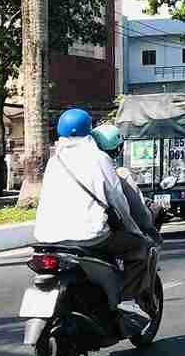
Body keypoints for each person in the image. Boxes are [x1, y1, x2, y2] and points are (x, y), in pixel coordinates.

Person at [34, 109, 153, 273]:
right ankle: (125, 289)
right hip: (91, 237)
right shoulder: (99, 158)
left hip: (48, 239)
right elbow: (118, 200)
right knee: (141, 246)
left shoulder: (54, 162)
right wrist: (134, 230)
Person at [92, 124, 161, 245]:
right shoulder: (120, 174)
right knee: (141, 247)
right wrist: (139, 229)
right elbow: (136, 213)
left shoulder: (65, 165)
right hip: (98, 235)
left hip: (56, 238)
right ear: (118, 149)